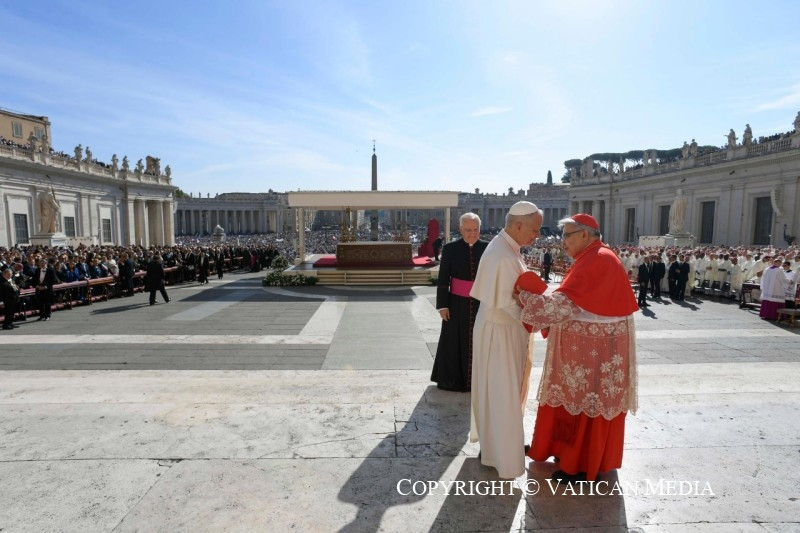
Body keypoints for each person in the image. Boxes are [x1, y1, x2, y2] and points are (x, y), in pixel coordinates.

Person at [517, 213, 639, 482]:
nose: (563, 242)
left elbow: (563, 305)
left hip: (593, 356)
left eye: (567, 236)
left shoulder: (597, 259)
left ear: (585, 235)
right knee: (572, 402)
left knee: (586, 404)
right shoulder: (592, 257)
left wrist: (525, 297)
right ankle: (563, 452)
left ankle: (582, 465)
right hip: (585, 353)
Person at [469, 200, 543, 479]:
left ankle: (496, 448)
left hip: (501, 330)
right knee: (503, 394)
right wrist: (539, 315)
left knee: (499, 392)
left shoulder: (507, 248)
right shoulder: (502, 255)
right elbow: (507, 303)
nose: (537, 235)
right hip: (499, 332)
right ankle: (505, 456)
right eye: (534, 229)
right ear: (519, 225)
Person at [431, 213, 488, 392]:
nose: (472, 234)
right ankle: (452, 380)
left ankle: (479, 381)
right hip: (456, 304)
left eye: (475, 230)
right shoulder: (450, 249)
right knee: (453, 342)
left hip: (481, 303)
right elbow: (443, 280)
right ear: (461, 229)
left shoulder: (488, 248)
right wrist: (443, 306)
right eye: (468, 230)